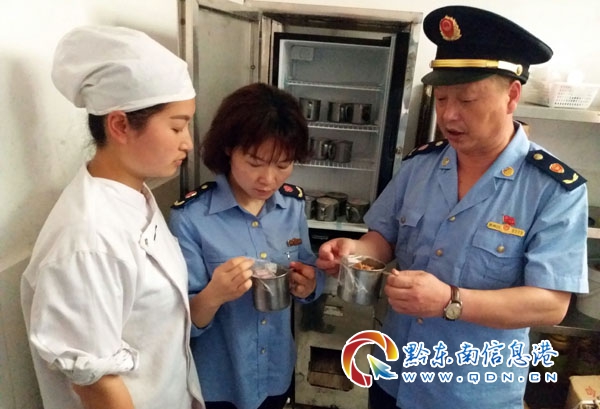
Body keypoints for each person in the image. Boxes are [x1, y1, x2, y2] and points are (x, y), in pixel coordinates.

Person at [316, 6, 589, 409]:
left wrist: (450, 300)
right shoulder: (420, 166)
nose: (448, 115)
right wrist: (353, 252)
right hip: (396, 373)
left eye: (467, 99)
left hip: (471, 391)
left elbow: (551, 303)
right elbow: (382, 238)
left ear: (512, 95)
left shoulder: (552, 188)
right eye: (441, 98)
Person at [20, 26, 205, 409]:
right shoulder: (87, 240)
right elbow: (98, 386)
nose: (187, 141)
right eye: (176, 126)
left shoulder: (134, 195)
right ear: (120, 125)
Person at [168, 82, 325, 409]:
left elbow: (309, 270)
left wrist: (309, 284)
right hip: (220, 382)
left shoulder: (292, 207)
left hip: (275, 372)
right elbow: (179, 323)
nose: (269, 179)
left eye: (283, 164)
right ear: (229, 148)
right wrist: (214, 294)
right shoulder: (191, 218)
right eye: (255, 162)